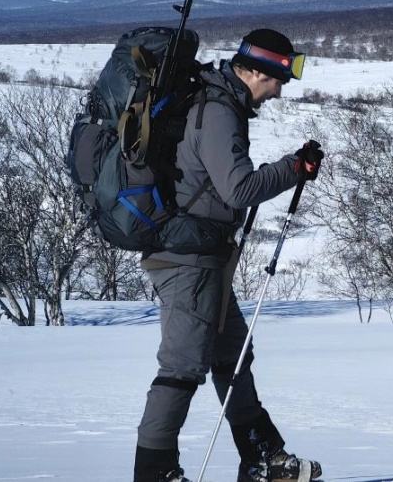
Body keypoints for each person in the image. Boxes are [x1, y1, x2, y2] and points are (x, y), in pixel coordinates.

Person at [133, 29, 325, 482]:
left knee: (233, 355)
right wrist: (293, 169)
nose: (282, 87)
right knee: (182, 367)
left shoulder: (220, 103)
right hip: (187, 260)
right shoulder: (218, 111)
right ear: (255, 70)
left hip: (205, 257)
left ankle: (264, 457)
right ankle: (155, 473)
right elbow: (238, 190)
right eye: (280, 76)